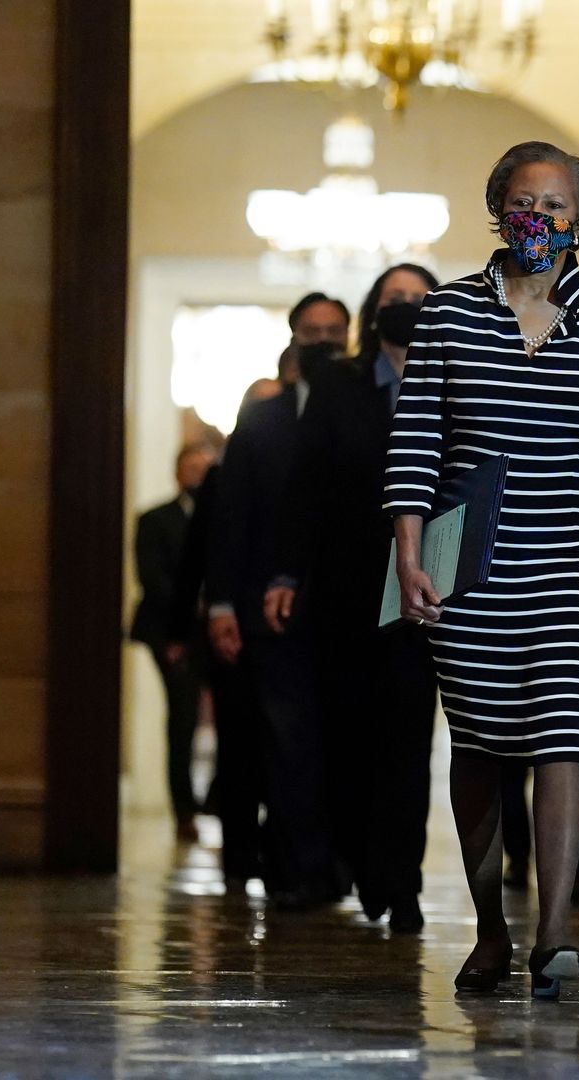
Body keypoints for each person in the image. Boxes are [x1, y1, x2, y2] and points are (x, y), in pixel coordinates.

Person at [384, 141, 579, 999]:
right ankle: (490, 930)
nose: (536, 218)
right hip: (466, 563)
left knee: (558, 736)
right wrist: (407, 558)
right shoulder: (448, 313)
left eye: (554, 206)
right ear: (495, 209)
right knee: (475, 741)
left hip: (572, 566)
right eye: (521, 201)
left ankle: (552, 932)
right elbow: (414, 444)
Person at [265, 264, 440, 932]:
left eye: (419, 299)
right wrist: (285, 574)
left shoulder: (452, 380)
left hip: (425, 590)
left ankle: (403, 882)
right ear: (374, 310)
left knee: (405, 740)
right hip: (344, 589)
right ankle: (356, 865)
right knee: (347, 737)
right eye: (394, 299)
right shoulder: (339, 384)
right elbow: (304, 485)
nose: (406, 308)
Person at [208, 293, 351, 911]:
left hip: (348, 610)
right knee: (289, 743)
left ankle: (341, 863)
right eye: (310, 331)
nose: (321, 341)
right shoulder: (261, 423)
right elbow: (230, 517)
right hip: (273, 613)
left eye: (333, 331)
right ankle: (298, 866)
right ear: (294, 337)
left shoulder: (373, 410)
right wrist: (220, 604)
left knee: (346, 741)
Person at [176, 379, 285, 890]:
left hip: (286, 630)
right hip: (234, 633)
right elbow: (197, 556)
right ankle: (240, 858)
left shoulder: (298, 467)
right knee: (238, 748)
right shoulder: (221, 478)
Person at [132, 443, 215, 843]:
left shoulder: (221, 517)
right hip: (169, 631)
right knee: (182, 718)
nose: (198, 473)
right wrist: (188, 615)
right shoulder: (154, 519)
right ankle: (184, 809)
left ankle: (217, 797)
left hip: (213, 630)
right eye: (191, 466)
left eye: (205, 467)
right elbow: (154, 579)